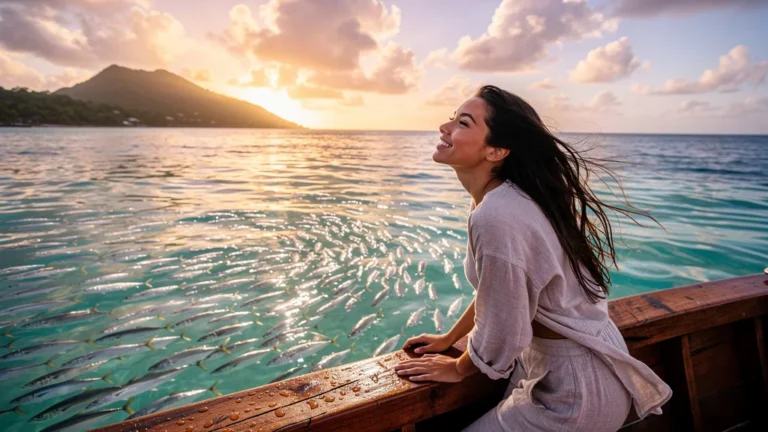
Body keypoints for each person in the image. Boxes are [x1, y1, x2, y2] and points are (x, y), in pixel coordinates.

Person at [393, 85, 672, 432]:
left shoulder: (497, 214)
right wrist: (450, 338)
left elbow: (504, 326)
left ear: (496, 150)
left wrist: (458, 368)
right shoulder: (507, 198)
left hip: (575, 392)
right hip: (569, 367)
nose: (444, 128)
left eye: (463, 123)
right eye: (452, 118)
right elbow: (499, 292)